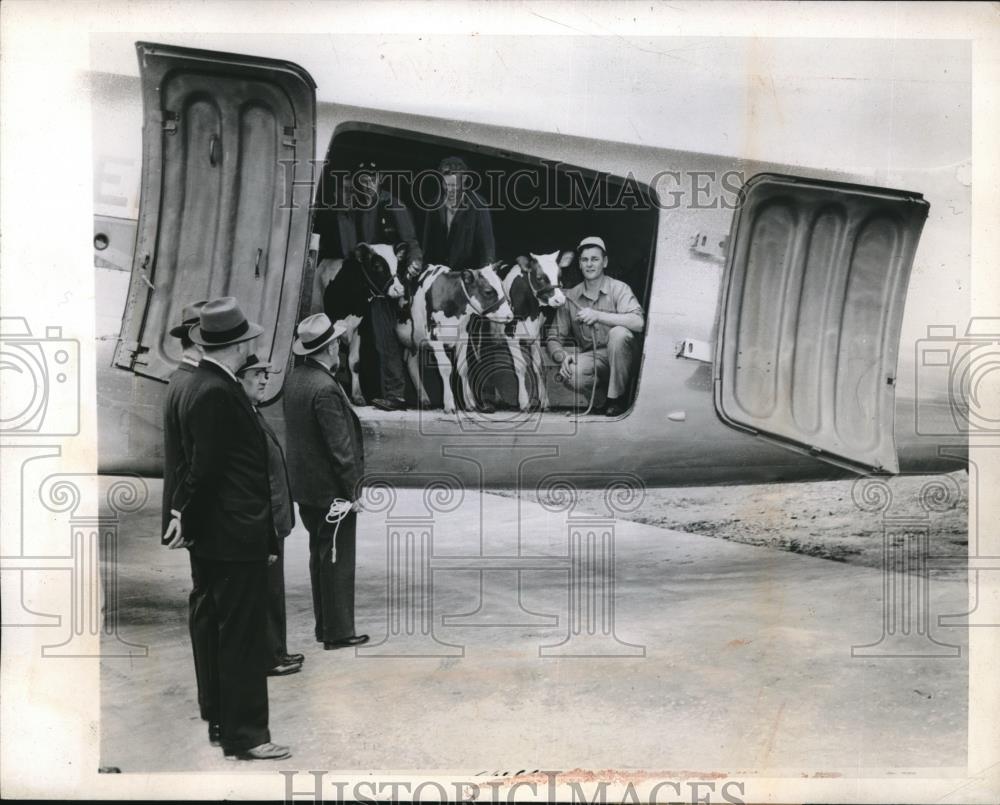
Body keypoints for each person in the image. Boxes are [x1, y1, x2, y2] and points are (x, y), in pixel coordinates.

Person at [161, 297, 291, 762]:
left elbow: (198, 469)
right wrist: (186, 515)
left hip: (217, 537)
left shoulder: (199, 383)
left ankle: (222, 723)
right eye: (248, 341)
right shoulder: (218, 392)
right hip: (234, 538)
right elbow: (207, 471)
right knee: (242, 639)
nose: (251, 346)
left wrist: (182, 517)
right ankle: (248, 736)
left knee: (220, 633)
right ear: (237, 345)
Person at [282, 313, 370, 650]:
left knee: (320, 555)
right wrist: (352, 492)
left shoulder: (296, 380)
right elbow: (340, 449)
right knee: (337, 559)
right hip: (332, 492)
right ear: (331, 347)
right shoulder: (325, 389)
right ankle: (338, 632)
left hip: (306, 489)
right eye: (336, 343)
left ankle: (326, 627)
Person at [328, 159, 422, 412]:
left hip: (391, 285)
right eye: (362, 180)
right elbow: (353, 251)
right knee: (361, 337)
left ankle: (396, 395)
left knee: (388, 338)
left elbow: (410, 242)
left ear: (380, 178)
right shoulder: (356, 208)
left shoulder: (392, 204)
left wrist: (413, 267)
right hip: (367, 283)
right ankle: (365, 390)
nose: (367, 183)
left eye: (371, 177)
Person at [235, 353, 304, 678]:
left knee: (272, 592)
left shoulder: (252, 412)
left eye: (265, 374)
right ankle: (268, 658)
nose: (264, 379)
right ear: (239, 378)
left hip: (272, 522)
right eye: (257, 374)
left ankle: (276, 651)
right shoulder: (243, 418)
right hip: (263, 525)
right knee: (266, 593)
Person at [422, 155, 500, 411]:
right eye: (446, 174)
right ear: (441, 179)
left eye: (456, 175)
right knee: (441, 334)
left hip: (471, 279)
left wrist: (483, 277)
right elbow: (428, 245)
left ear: (465, 178)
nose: (451, 180)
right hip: (444, 280)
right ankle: (444, 395)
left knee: (477, 334)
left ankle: (485, 396)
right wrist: (430, 275)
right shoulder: (434, 204)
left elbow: (487, 246)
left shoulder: (477, 204)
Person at [545, 236, 645, 417]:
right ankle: (603, 401)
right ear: (580, 265)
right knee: (571, 373)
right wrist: (562, 356)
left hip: (625, 356)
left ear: (604, 262)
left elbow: (638, 323)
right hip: (595, 358)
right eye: (584, 260)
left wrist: (598, 316)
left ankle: (618, 400)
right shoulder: (571, 296)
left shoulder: (619, 289)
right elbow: (553, 337)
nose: (589, 264)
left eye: (595, 259)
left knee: (618, 334)